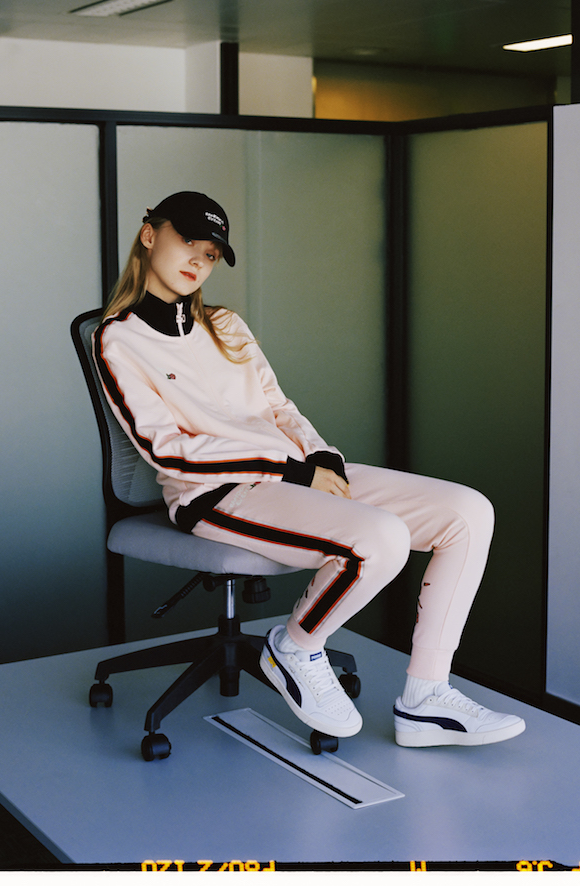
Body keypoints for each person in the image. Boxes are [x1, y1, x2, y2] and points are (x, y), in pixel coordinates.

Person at [94, 191, 525, 748]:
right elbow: (168, 450)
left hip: (294, 470)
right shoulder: (119, 338)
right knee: (382, 538)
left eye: (211, 253)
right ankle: (295, 646)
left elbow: (280, 408)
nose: (198, 260)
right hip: (216, 493)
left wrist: (321, 457)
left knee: (468, 513)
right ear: (150, 234)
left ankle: (426, 697)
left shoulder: (226, 325)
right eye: (188, 241)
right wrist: (292, 471)